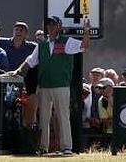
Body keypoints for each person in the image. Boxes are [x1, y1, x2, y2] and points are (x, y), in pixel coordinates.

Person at [14, 16, 90, 155]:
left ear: (59, 27)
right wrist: (17, 72)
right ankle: (42, 147)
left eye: (54, 24)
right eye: (49, 24)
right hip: (44, 85)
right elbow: (30, 61)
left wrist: (86, 32)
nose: (50, 27)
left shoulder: (66, 41)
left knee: (63, 116)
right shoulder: (41, 45)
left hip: (61, 84)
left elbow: (84, 46)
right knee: (43, 117)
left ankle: (66, 147)